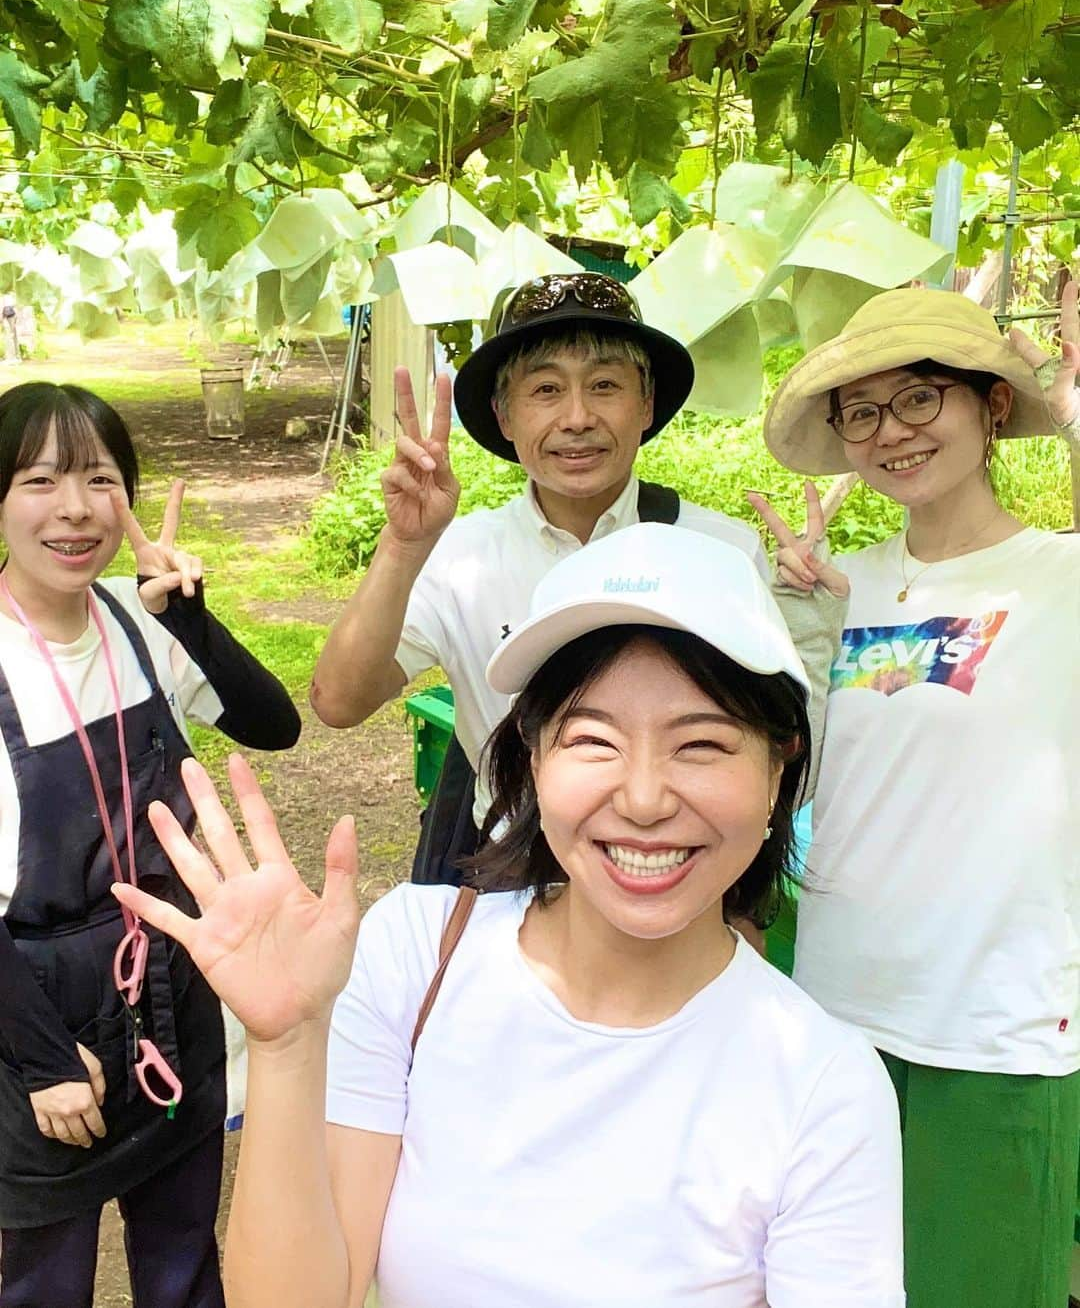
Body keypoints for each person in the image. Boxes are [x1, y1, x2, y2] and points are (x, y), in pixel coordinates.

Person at [116, 523, 905, 1308]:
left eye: (700, 745)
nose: (642, 798)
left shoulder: (822, 1085)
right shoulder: (415, 956)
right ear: (532, 757)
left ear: (779, 767)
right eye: (593, 739)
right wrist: (286, 1048)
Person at [752, 282, 1080, 1308]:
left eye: (921, 396)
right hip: (836, 1015)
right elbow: (802, 771)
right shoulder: (836, 581)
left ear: (989, 407)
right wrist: (800, 634)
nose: (891, 431)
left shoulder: (1059, 577)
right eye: (863, 410)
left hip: (991, 1024)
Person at [310, 273, 845, 890]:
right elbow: (340, 702)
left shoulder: (720, 550)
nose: (577, 417)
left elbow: (770, 754)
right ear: (504, 416)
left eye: (606, 385)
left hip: (670, 868)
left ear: (646, 405)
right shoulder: (461, 555)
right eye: (545, 389)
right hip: (515, 875)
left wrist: (740, 911)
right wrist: (404, 546)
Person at [0, 382, 301, 1308]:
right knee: (44, 1280)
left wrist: (192, 621)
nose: (77, 508)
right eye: (40, 479)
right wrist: (43, 1062)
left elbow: (272, 724)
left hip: (172, 989)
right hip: (35, 1013)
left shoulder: (137, 624)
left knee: (181, 1257)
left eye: (100, 478)